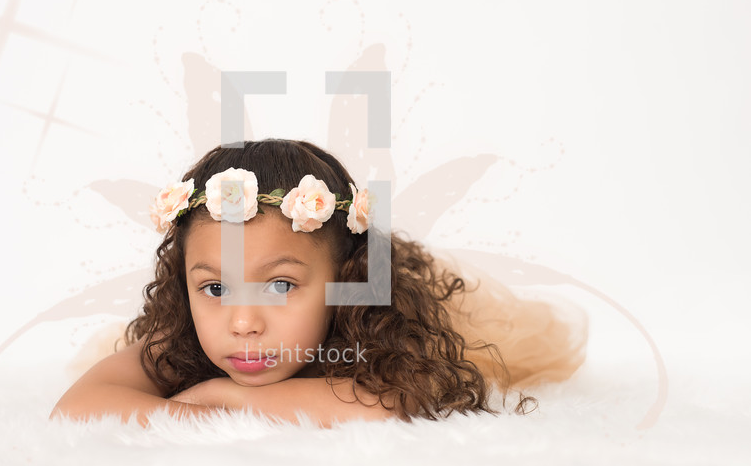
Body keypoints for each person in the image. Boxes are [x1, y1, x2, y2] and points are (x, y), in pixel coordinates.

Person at [50, 139, 588, 428]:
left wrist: (222, 394)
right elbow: (76, 406)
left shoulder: (368, 332)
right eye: (215, 289)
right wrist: (179, 415)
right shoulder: (188, 341)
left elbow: (395, 404)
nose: (243, 323)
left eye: (280, 287)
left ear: (344, 280)